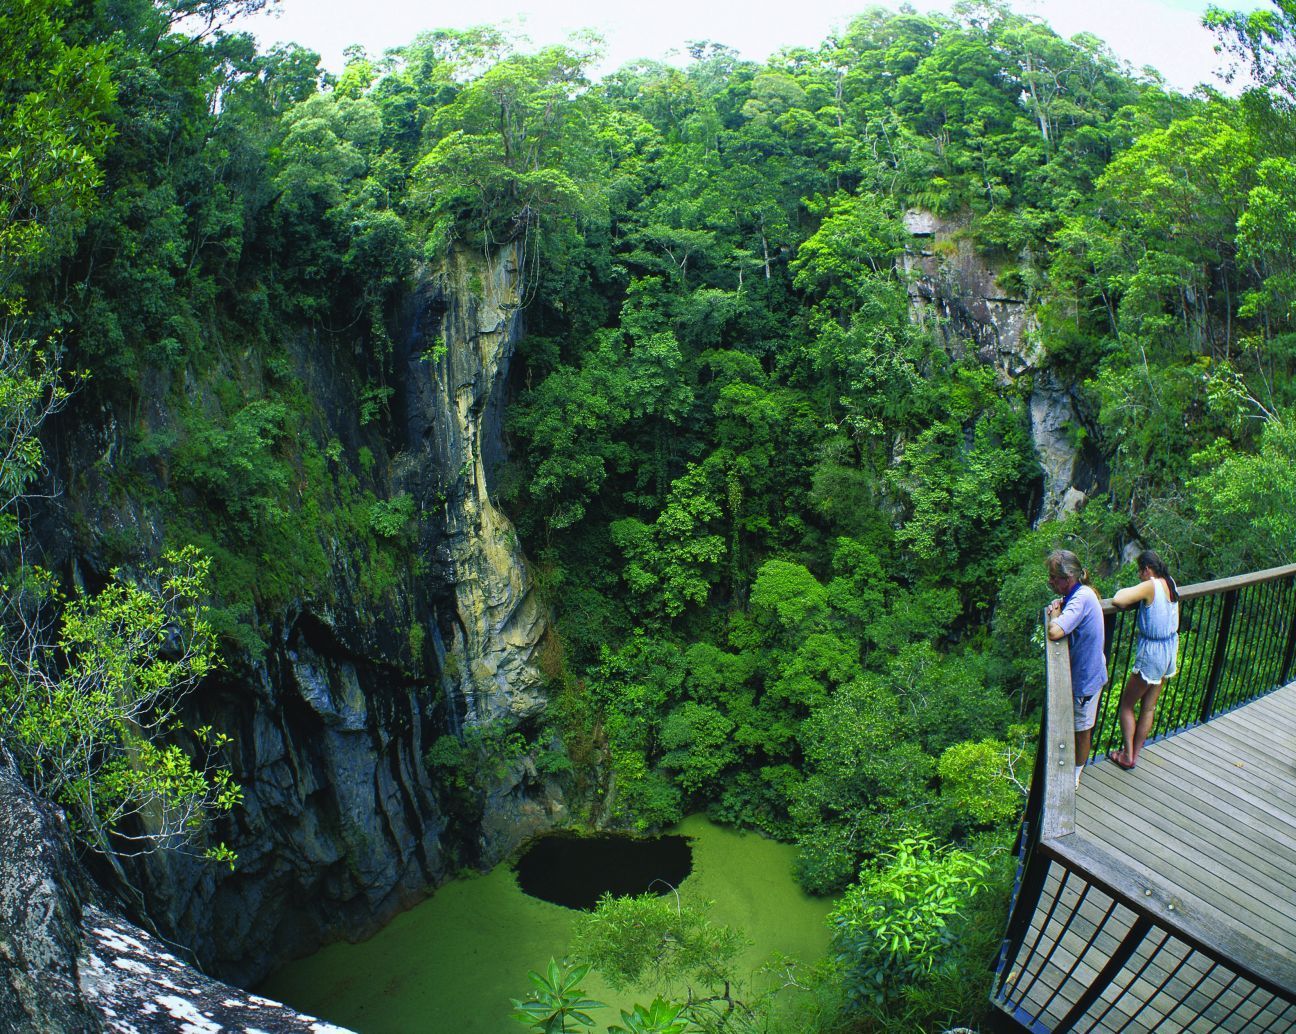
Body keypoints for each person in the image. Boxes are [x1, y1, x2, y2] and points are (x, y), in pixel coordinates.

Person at [1107, 549, 1180, 770]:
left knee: (1127, 705)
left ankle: (1127, 757)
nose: (1139, 576)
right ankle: (1134, 754)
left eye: (1140, 571)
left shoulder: (1151, 585)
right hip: (1169, 649)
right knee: (1148, 708)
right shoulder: (1170, 582)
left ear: (1147, 569)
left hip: (1152, 653)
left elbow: (1119, 599)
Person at [1045, 550, 1108, 788]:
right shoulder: (1080, 594)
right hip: (1087, 675)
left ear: (1068, 578)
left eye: (1054, 577)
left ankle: (1075, 775)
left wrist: (1057, 615)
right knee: (1075, 726)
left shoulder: (1081, 598)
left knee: (1082, 730)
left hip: (1086, 682)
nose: (1050, 581)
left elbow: (1055, 632)